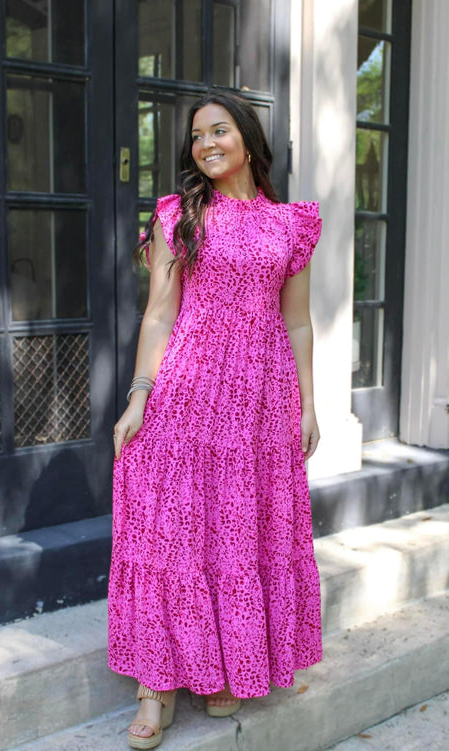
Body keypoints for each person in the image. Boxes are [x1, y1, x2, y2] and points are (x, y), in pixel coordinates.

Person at [109, 91, 323, 750]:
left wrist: (309, 403)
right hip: (185, 390)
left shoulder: (291, 223)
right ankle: (156, 686)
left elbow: (295, 318)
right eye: (196, 136)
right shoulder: (178, 214)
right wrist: (139, 394)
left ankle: (223, 664)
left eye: (218, 130)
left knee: (235, 529)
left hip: (258, 402)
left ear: (247, 138)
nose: (204, 144)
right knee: (169, 528)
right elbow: (160, 314)